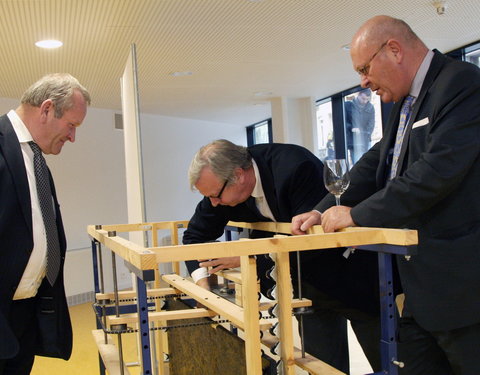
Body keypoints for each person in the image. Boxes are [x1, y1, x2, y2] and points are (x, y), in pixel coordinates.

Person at [292, 15, 480, 375]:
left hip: (462, 291)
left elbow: (434, 174)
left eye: (365, 68)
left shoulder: (460, 83)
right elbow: (377, 160)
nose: (363, 81)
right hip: (417, 292)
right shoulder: (407, 102)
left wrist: (357, 214)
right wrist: (324, 208)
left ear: (393, 49)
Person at [183, 139, 384, 373]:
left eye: (215, 195)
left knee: (387, 360)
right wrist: (203, 287)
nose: (213, 203)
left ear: (239, 175)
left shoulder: (295, 167)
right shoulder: (222, 188)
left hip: (353, 275)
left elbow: (312, 241)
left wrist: (247, 257)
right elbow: (194, 237)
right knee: (322, 367)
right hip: (307, 285)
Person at [0, 73, 91, 375]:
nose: (73, 137)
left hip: (24, 316)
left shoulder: (36, 159)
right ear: (47, 109)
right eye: (72, 125)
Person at [345, 89, 375, 164]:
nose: (365, 101)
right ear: (359, 95)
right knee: (356, 164)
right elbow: (344, 122)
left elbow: (371, 124)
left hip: (366, 140)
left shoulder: (370, 108)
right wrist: (352, 128)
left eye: (367, 99)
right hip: (353, 141)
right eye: (363, 98)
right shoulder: (348, 105)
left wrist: (365, 133)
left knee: (368, 163)